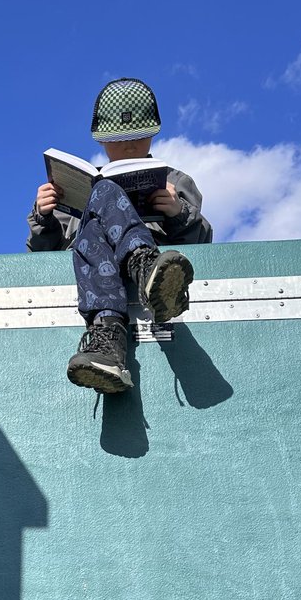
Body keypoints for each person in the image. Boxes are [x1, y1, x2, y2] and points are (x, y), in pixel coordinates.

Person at [27, 78, 212, 393]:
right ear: (101, 141)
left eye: (138, 138)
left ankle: (138, 288)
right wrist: (43, 217)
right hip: (96, 267)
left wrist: (177, 213)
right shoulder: (82, 187)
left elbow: (202, 245)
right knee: (102, 193)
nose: (128, 146)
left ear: (153, 134)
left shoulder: (175, 181)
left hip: (157, 258)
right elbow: (45, 258)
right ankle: (138, 283)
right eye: (118, 139)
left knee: (104, 192)